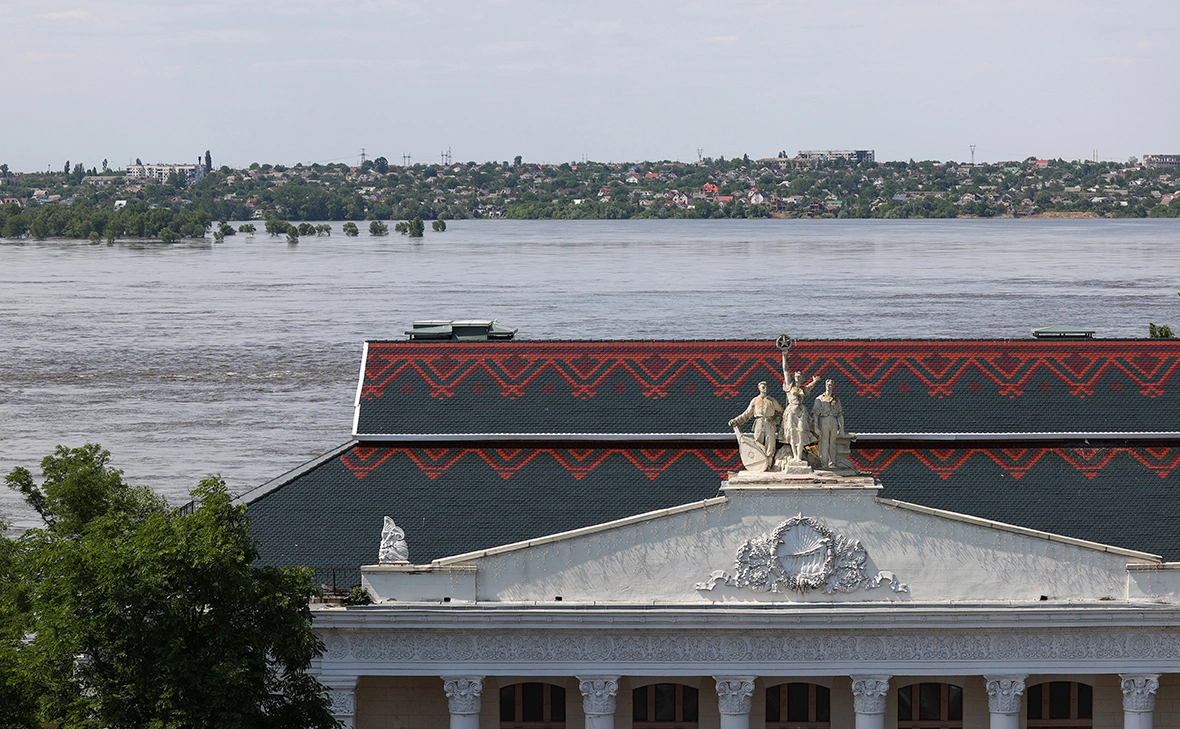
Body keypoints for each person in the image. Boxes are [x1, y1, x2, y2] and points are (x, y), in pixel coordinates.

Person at [729, 381, 783, 460]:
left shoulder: (772, 401)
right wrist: (736, 421)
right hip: (759, 422)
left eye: (765, 386)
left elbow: (782, 411)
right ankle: (759, 461)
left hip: (769, 423)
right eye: (762, 386)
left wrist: (776, 421)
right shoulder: (755, 401)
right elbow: (747, 414)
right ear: (759, 388)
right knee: (758, 443)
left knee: (770, 443)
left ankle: (769, 463)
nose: (764, 387)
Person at [781, 371, 820, 462]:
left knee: (801, 433)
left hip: (801, 411)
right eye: (796, 376)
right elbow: (786, 370)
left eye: (799, 377)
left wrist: (815, 381)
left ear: (802, 379)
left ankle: (799, 457)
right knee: (792, 434)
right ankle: (795, 456)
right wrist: (784, 356)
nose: (797, 378)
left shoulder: (803, 389)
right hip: (791, 412)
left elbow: (809, 386)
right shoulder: (790, 387)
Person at [811, 379, 845, 468]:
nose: (829, 387)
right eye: (828, 385)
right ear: (825, 386)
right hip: (824, 420)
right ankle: (824, 463)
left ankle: (832, 462)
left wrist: (841, 428)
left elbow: (840, 414)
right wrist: (816, 427)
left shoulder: (836, 400)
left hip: (833, 420)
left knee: (832, 442)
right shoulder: (820, 399)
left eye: (831, 385)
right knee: (824, 442)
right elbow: (815, 414)